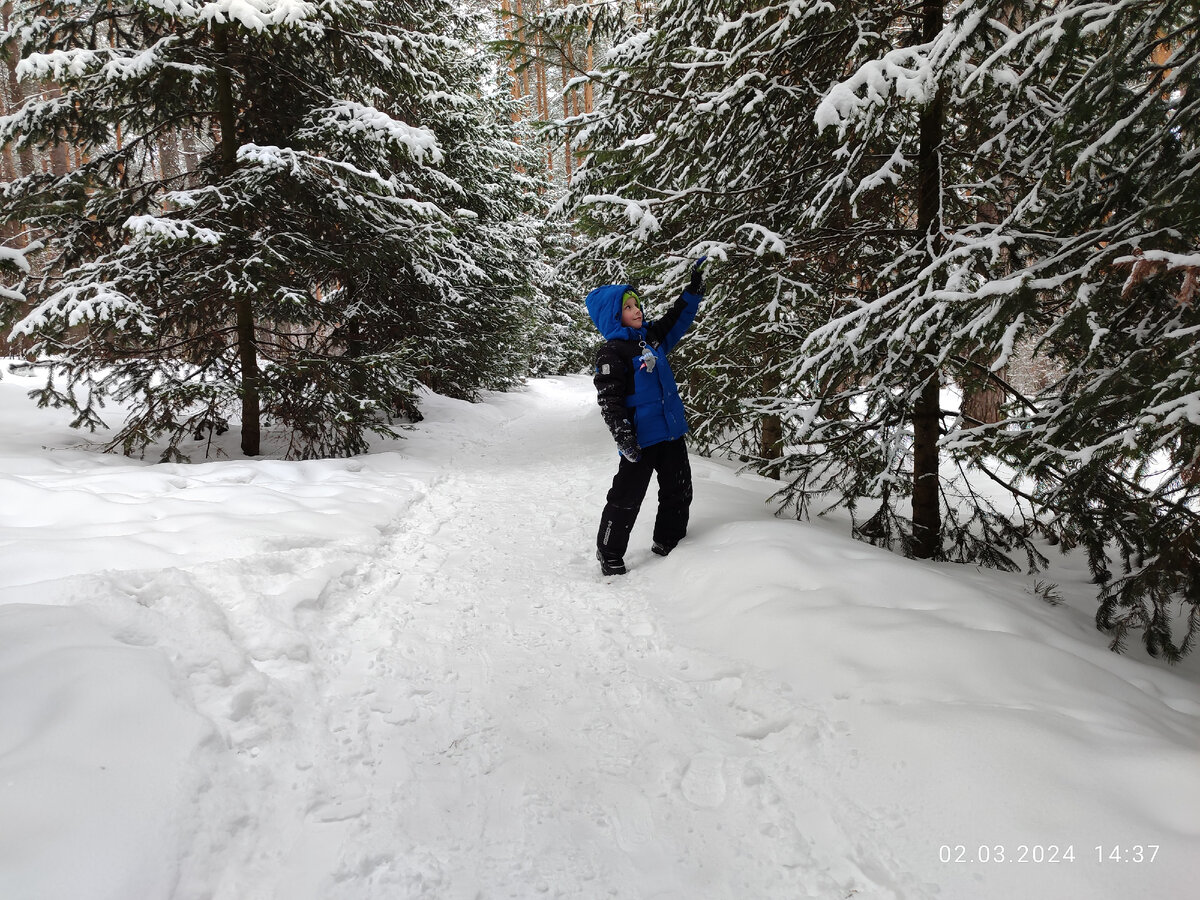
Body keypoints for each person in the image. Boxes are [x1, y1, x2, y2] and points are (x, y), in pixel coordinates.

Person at [585, 259, 706, 576]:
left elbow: (676, 320)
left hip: (671, 433)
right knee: (626, 497)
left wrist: (692, 291)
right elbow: (610, 400)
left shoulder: (652, 337)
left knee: (679, 490)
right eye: (628, 307)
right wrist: (623, 436)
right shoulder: (612, 352)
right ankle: (608, 550)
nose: (637, 310)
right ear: (614, 315)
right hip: (640, 439)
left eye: (637, 304)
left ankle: (669, 540)